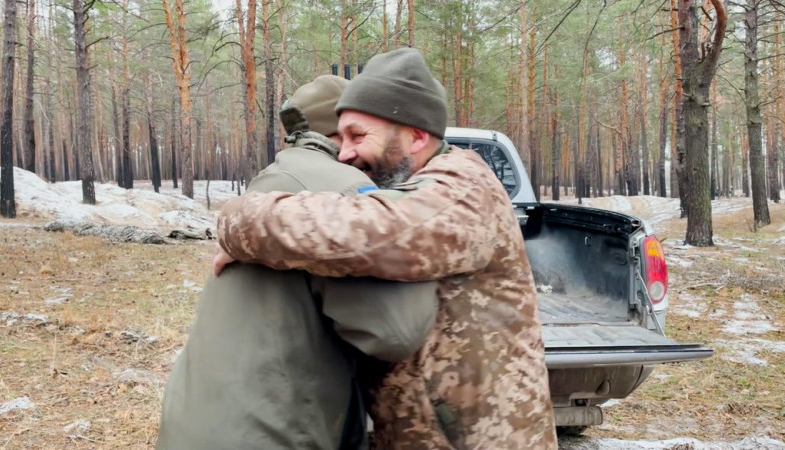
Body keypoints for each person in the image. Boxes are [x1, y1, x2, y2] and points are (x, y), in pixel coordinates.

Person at [215, 48, 558, 449]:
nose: (344, 153)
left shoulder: (463, 190)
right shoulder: (410, 188)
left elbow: (375, 233)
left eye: (358, 136)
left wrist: (241, 221)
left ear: (416, 136)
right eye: (340, 138)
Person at [157, 75, 439, 450]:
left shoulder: (274, 177)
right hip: (274, 434)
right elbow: (397, 331)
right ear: (342, 131)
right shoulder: (346, 189)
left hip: (193, 420)